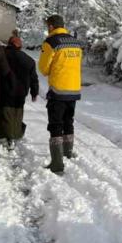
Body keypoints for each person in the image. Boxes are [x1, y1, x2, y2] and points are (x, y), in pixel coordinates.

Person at [38, 14, 83, 173]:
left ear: (51, 26)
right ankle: (67, 153)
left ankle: (57, 163)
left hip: (58, 90)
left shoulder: (51, 42)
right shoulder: (76, 43)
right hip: (74, 89)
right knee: (68, 121)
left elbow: (43, 69)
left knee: (55, 124)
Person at [0, 35, 39, 147]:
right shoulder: (29, 60)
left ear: (9, 44)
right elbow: (34, 78)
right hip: (21, 91)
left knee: (5, 112)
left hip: (4, 89)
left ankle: (6, 137)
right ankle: (15, 134)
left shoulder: (2, 56)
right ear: (20, 46)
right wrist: (34, 92)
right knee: (17, 113)